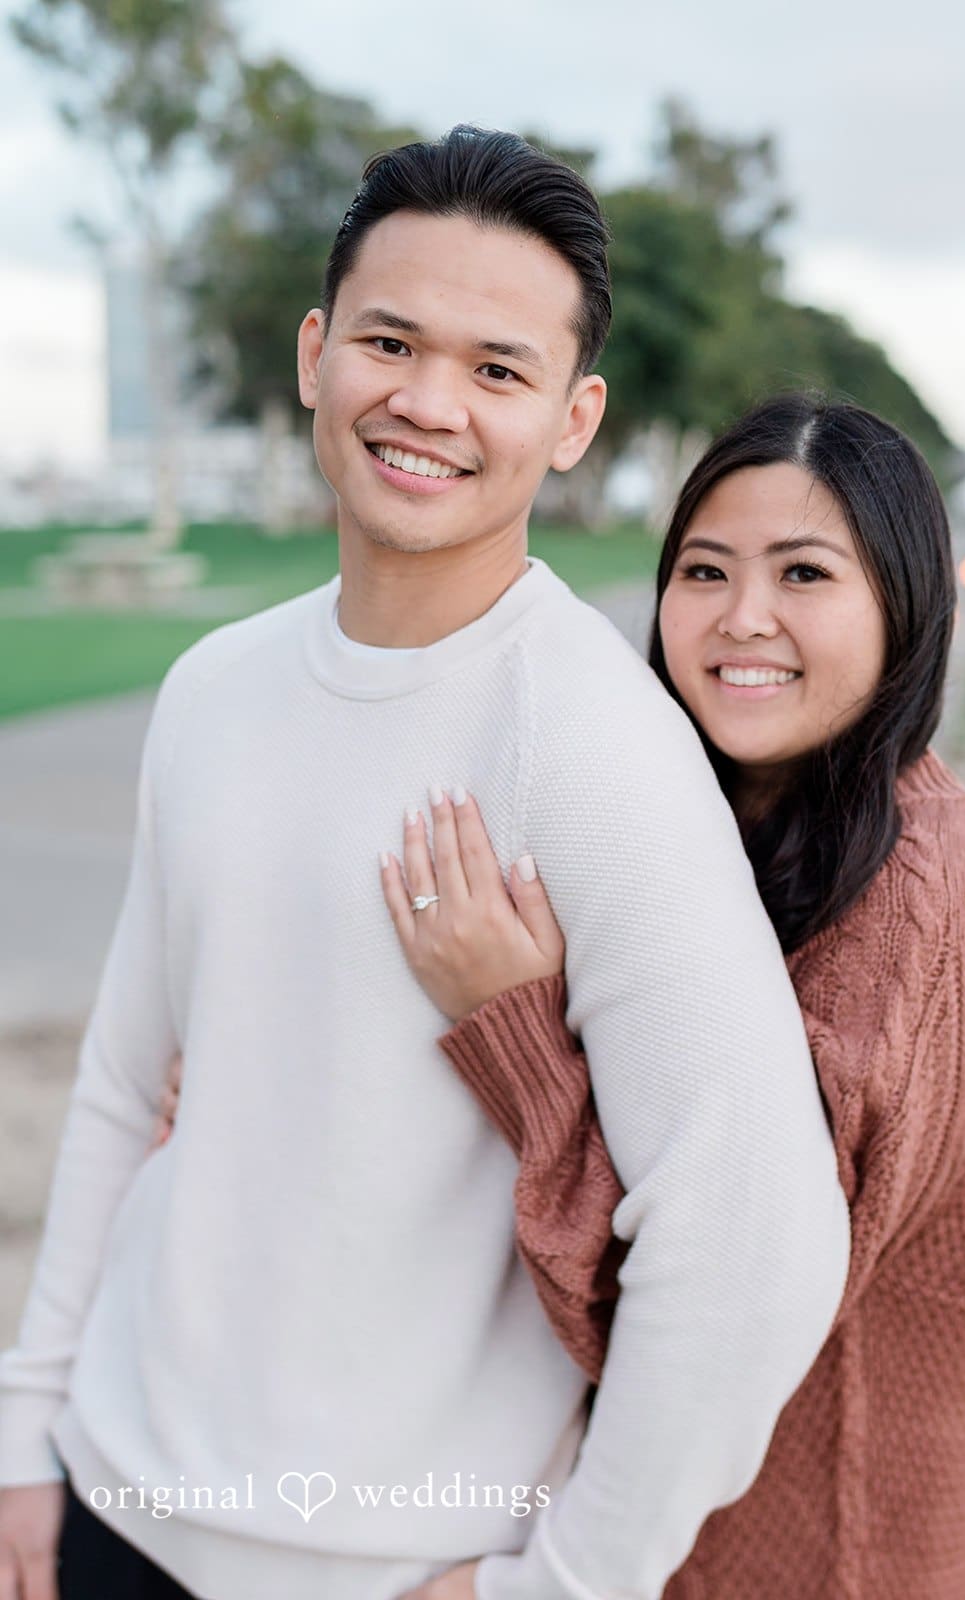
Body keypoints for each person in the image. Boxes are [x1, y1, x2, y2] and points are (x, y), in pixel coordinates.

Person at [0, 132, 849, 1600]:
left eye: (496, 369)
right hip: (107, 1500)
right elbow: (127, 1085)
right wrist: (28, 1429)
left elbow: (749, 1239)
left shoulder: (594, 748)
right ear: (316, 351)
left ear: (573, 418)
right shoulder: (211, 687)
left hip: (387, 1564)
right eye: (389, 341)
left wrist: (568, 1582)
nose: (427, 402)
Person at [374, 395, 965, 1599]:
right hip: (707, 1519)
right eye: (703, 568)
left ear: (904, 600)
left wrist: (513, 1029)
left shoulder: (907, 907)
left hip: (840, 1549)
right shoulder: (728, 814)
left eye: (802, 572)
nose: (742, 618)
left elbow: (711, 1302)